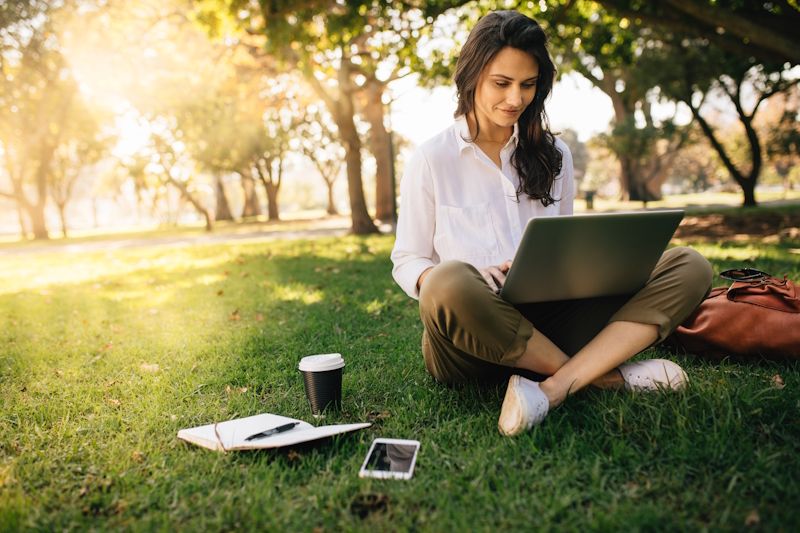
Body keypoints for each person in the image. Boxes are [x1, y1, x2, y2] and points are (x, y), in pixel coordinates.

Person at [390, 10, 712, 436]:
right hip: (474, 337)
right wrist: (469, 273)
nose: (515, 99)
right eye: (501, 83)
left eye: (528, 84)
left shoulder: (555, 155)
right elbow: (408, 259)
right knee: (446, 282)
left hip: (552, 323)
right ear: (472, 76)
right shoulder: (432, 158)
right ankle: (605, 378)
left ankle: (556, 386)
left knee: (691, 265)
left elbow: (566, 247)